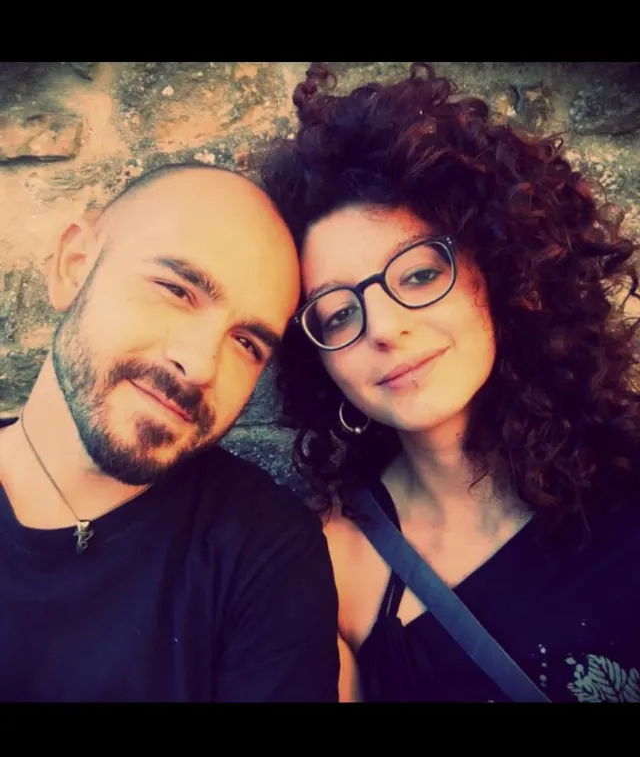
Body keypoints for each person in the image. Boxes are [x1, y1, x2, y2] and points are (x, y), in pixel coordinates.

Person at [261, 62, 640, 703]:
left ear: (499, 269)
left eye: (416, 275)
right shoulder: (338, 567)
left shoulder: (626, 476)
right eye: (339, 311)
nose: (382, 328)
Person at [0, 162, 339, 701]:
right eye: (176, 290)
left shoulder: (266, 556)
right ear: (74, 267)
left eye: (248, 343)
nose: (201, 364)